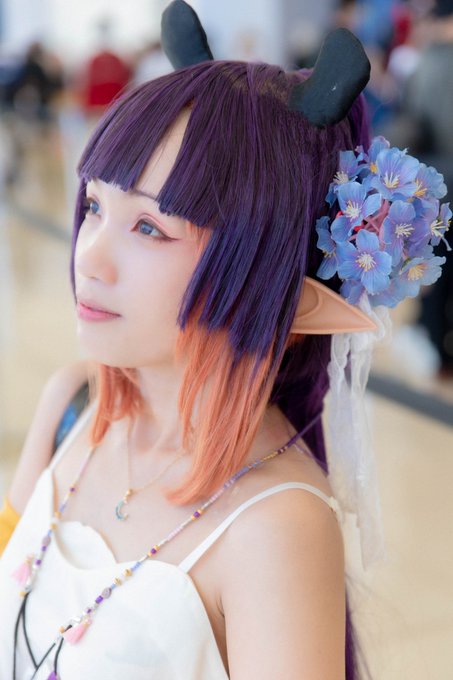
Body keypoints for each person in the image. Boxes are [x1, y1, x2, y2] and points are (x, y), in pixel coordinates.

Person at [0, 2, 448, 678]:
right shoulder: (74, 404)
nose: (88, 257)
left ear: (259, 266)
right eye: (93, 205)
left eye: (149, 228)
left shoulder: (276, 525)